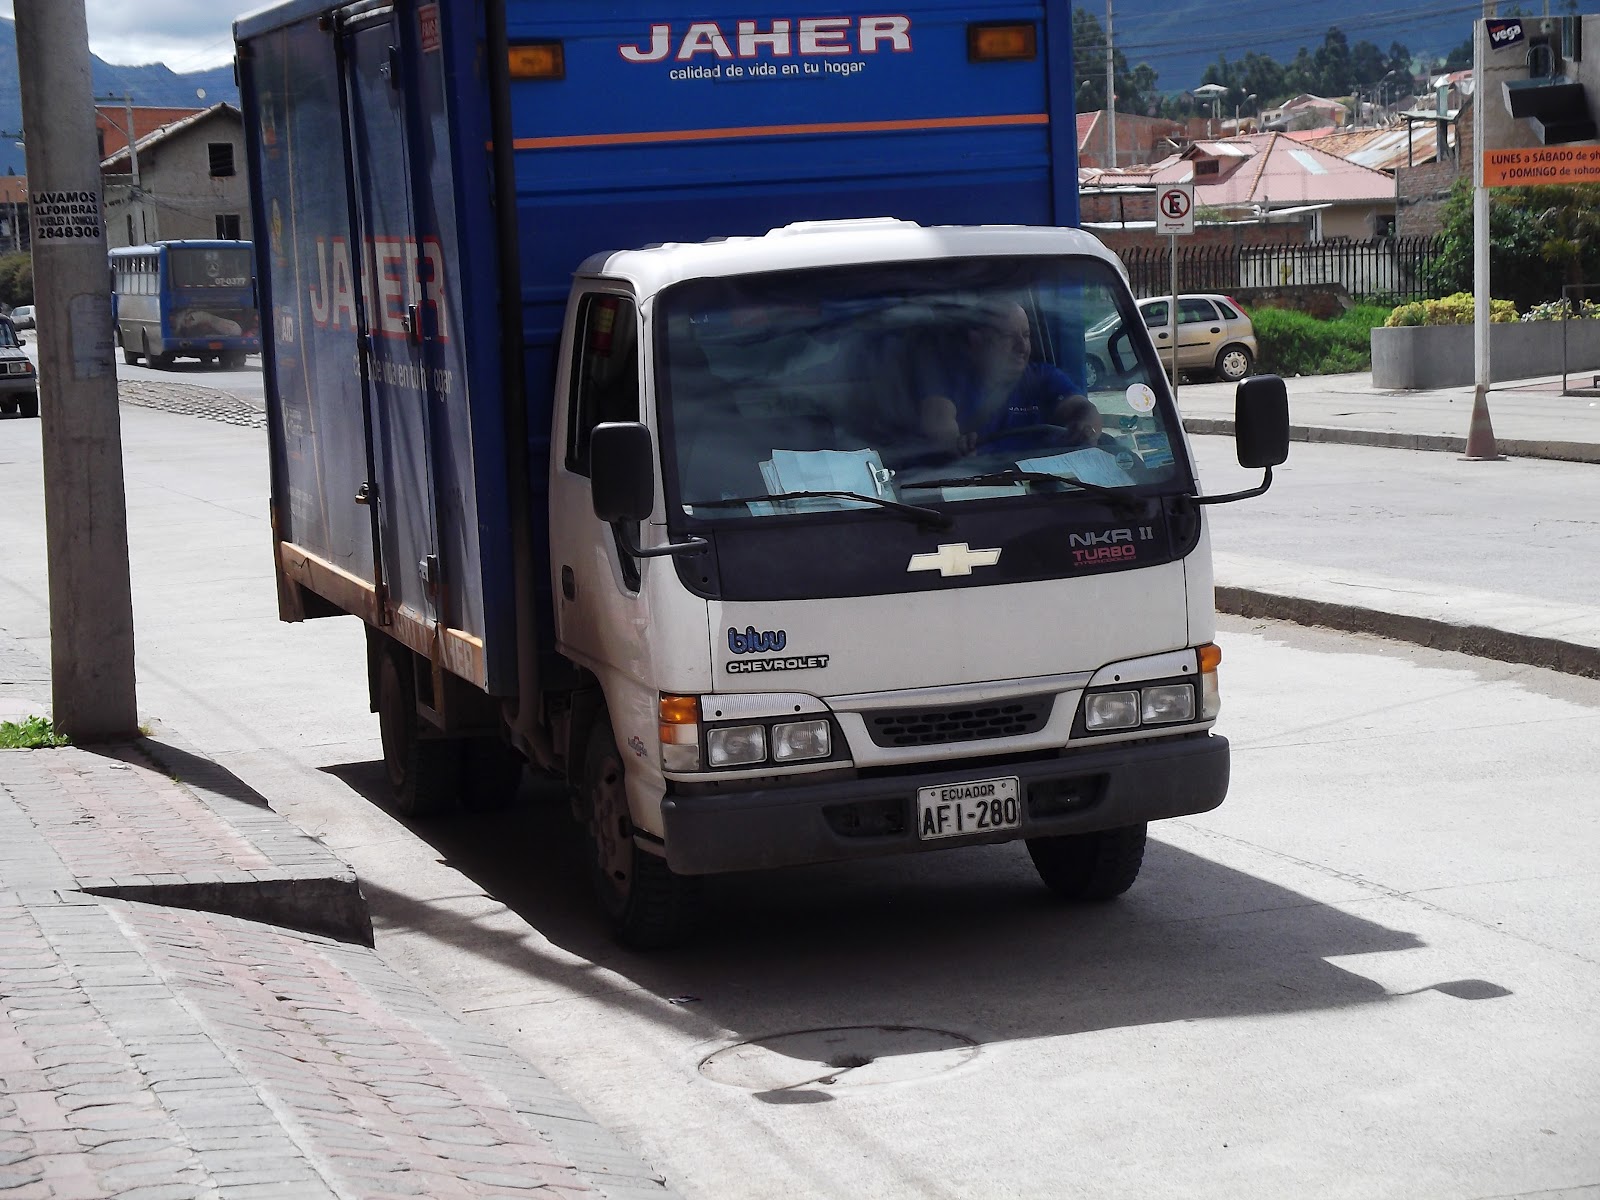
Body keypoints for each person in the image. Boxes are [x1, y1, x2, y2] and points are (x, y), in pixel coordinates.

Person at [919, 301, 1089, 455]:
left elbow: (1082, 408)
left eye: (1026, 335)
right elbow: (939, 419)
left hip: (1045, 483)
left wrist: (1085, 429)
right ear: (977, 341)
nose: (1022, 346)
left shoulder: (1044, 377)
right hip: (979, 484)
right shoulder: (950, 381)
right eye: (1008, 337)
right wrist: (955, 447)